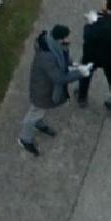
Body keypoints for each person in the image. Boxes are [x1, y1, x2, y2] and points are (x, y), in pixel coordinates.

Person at [19, 25, 83, 155]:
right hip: (42, 90)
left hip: (45, 87)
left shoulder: (52, 44)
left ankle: (38, 123)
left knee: (39, 110)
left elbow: (62, 59)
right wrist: (79, 73)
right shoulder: (47, 56)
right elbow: (59, 78)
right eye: (66, 37)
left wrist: (71, 62)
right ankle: (25, 139)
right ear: (60, 38)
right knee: (33, 114)